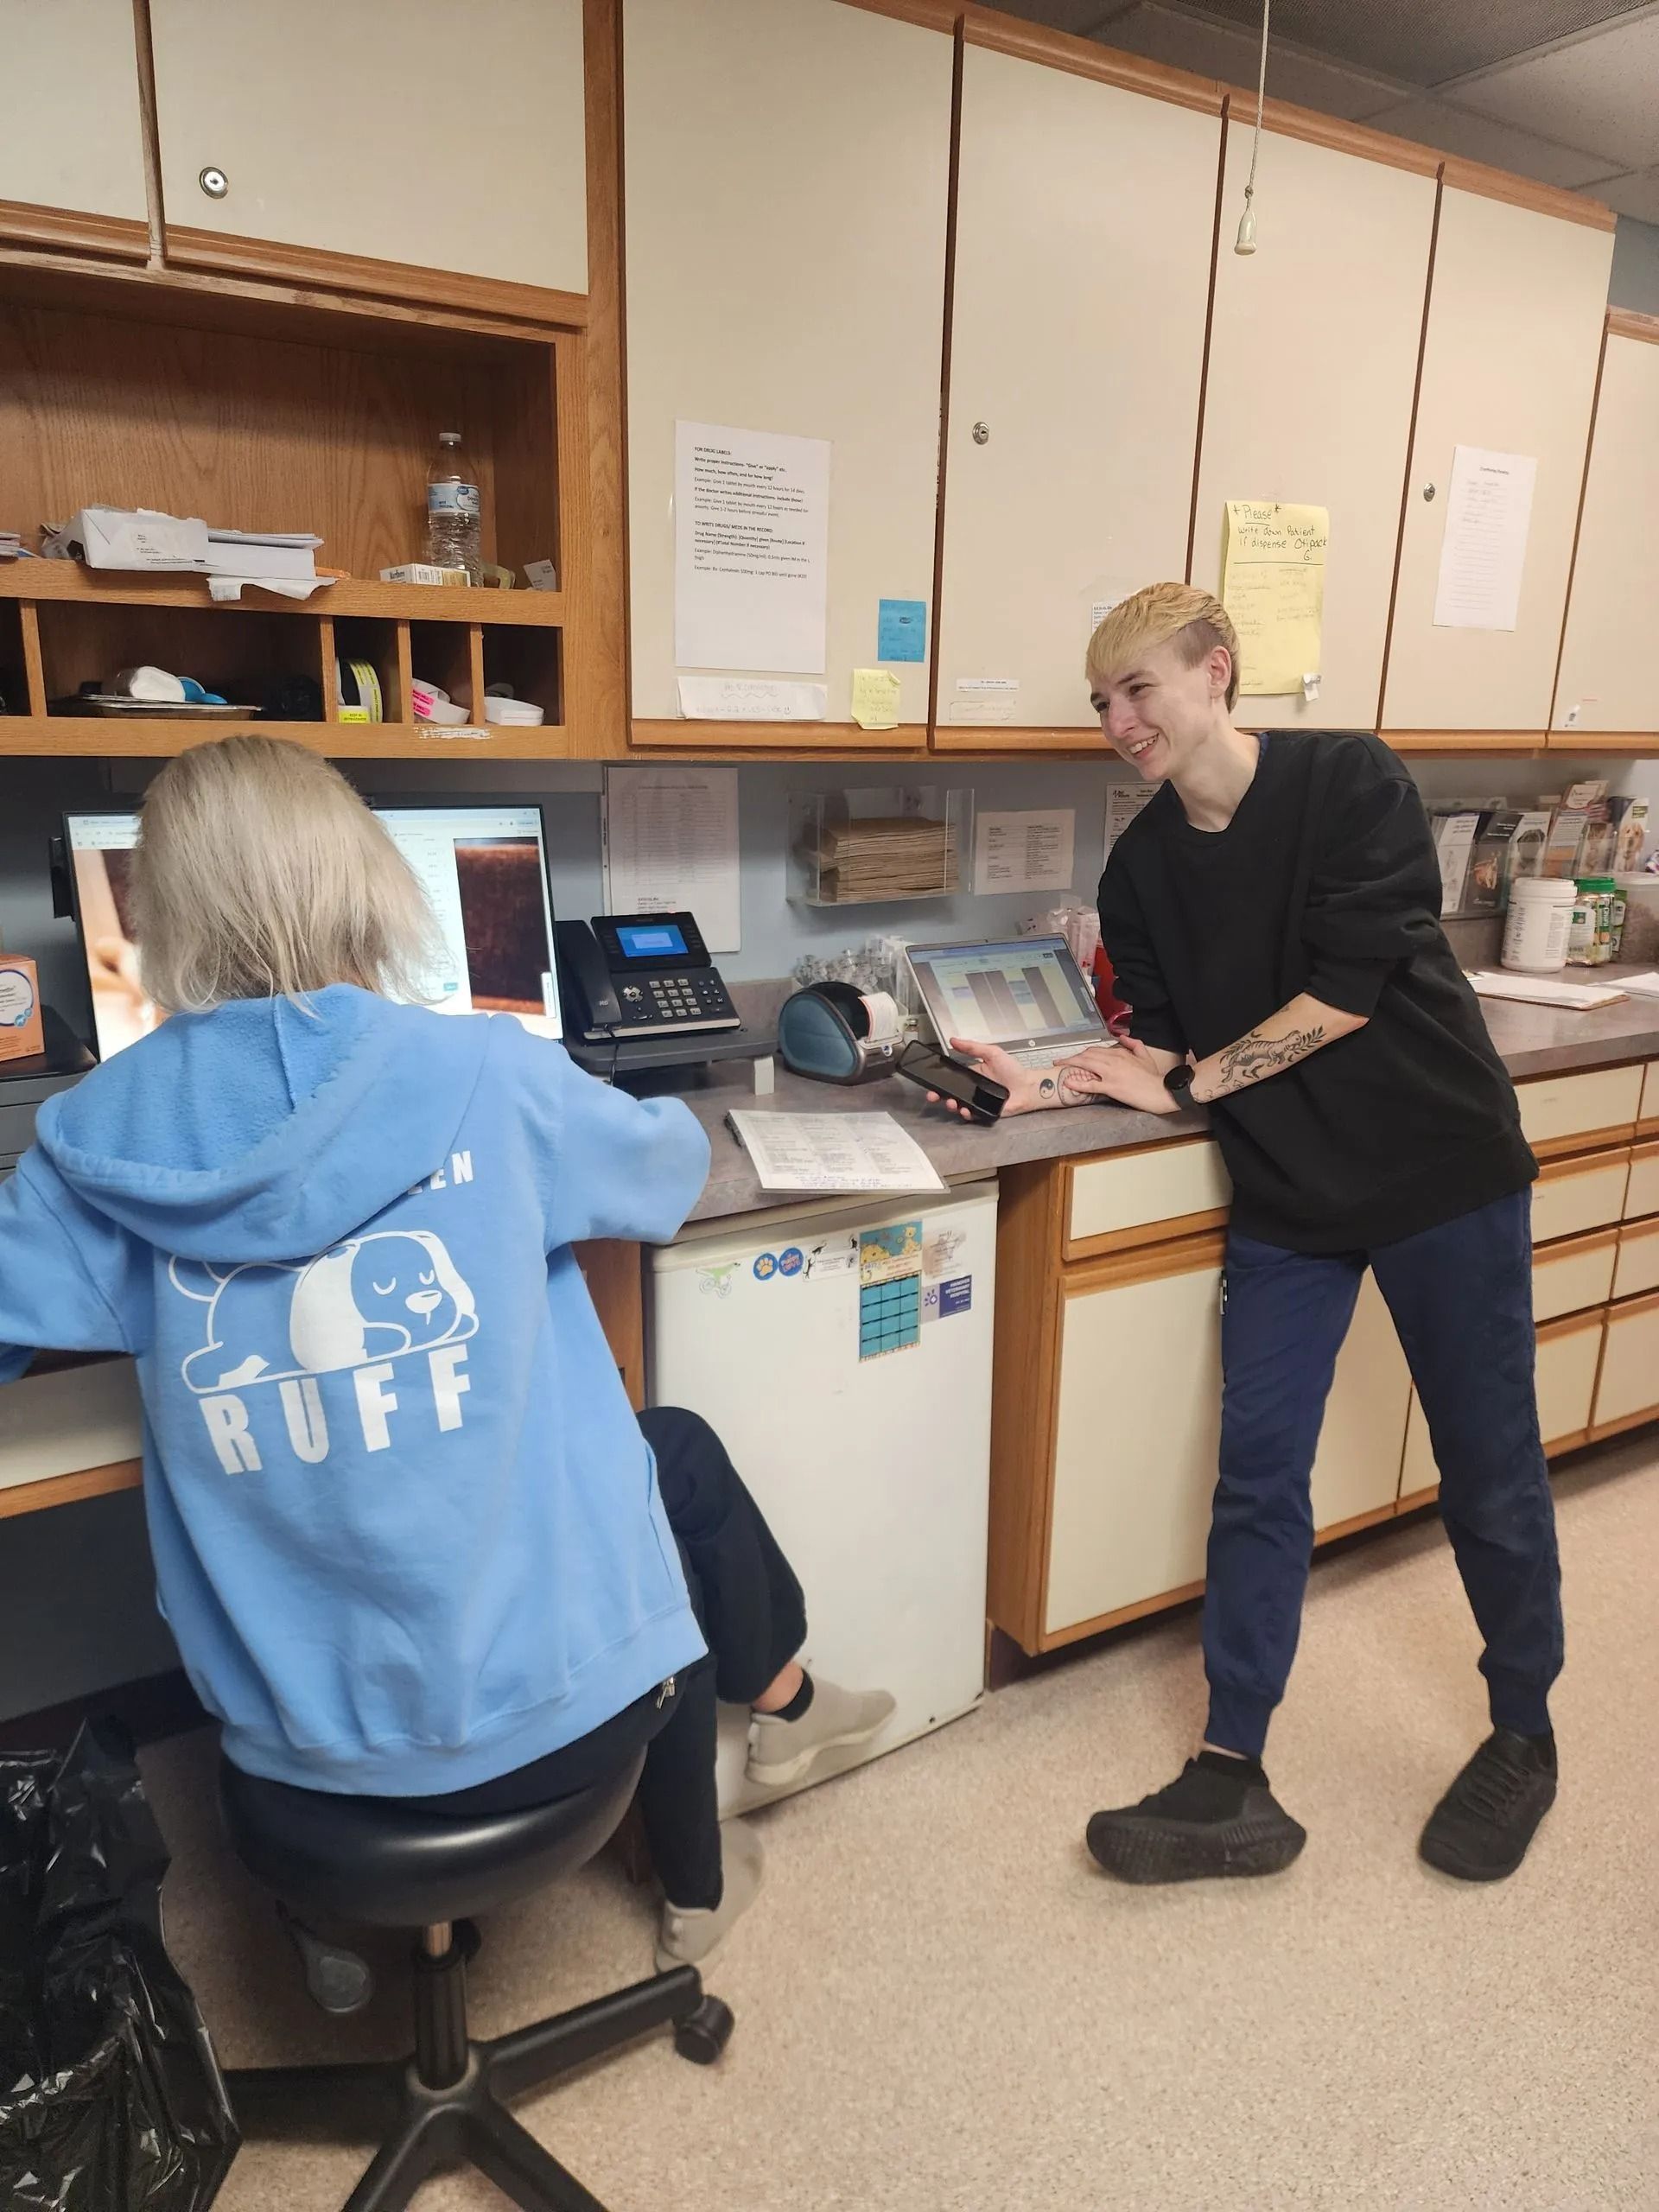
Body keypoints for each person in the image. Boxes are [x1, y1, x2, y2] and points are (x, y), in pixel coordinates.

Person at [0, 735, 892, 1969]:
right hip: (566, 1719)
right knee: (652, 1472)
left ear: (161, 911)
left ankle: (340, 1928)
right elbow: (670, 1170)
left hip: (298, 1749)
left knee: (584, 1476)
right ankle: (722, 1828)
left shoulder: (89, 1147)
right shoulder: (485, 1073)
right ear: (361, 881)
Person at [937, 583, 1560, 1887]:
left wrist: (1194, 1083)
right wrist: (1028, 1078)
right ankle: (1232, 1773)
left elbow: (1341, 994)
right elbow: (1157, 1045)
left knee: (1487, 1466)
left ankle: (1522, 1729)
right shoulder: (1142, 867)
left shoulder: (1351, 785)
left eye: (1139, 691)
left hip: (1440, 1168)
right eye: (1103, 702)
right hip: (1290, 1198)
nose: (1118, 721)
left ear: (1215, 673)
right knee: (1259, 1473)